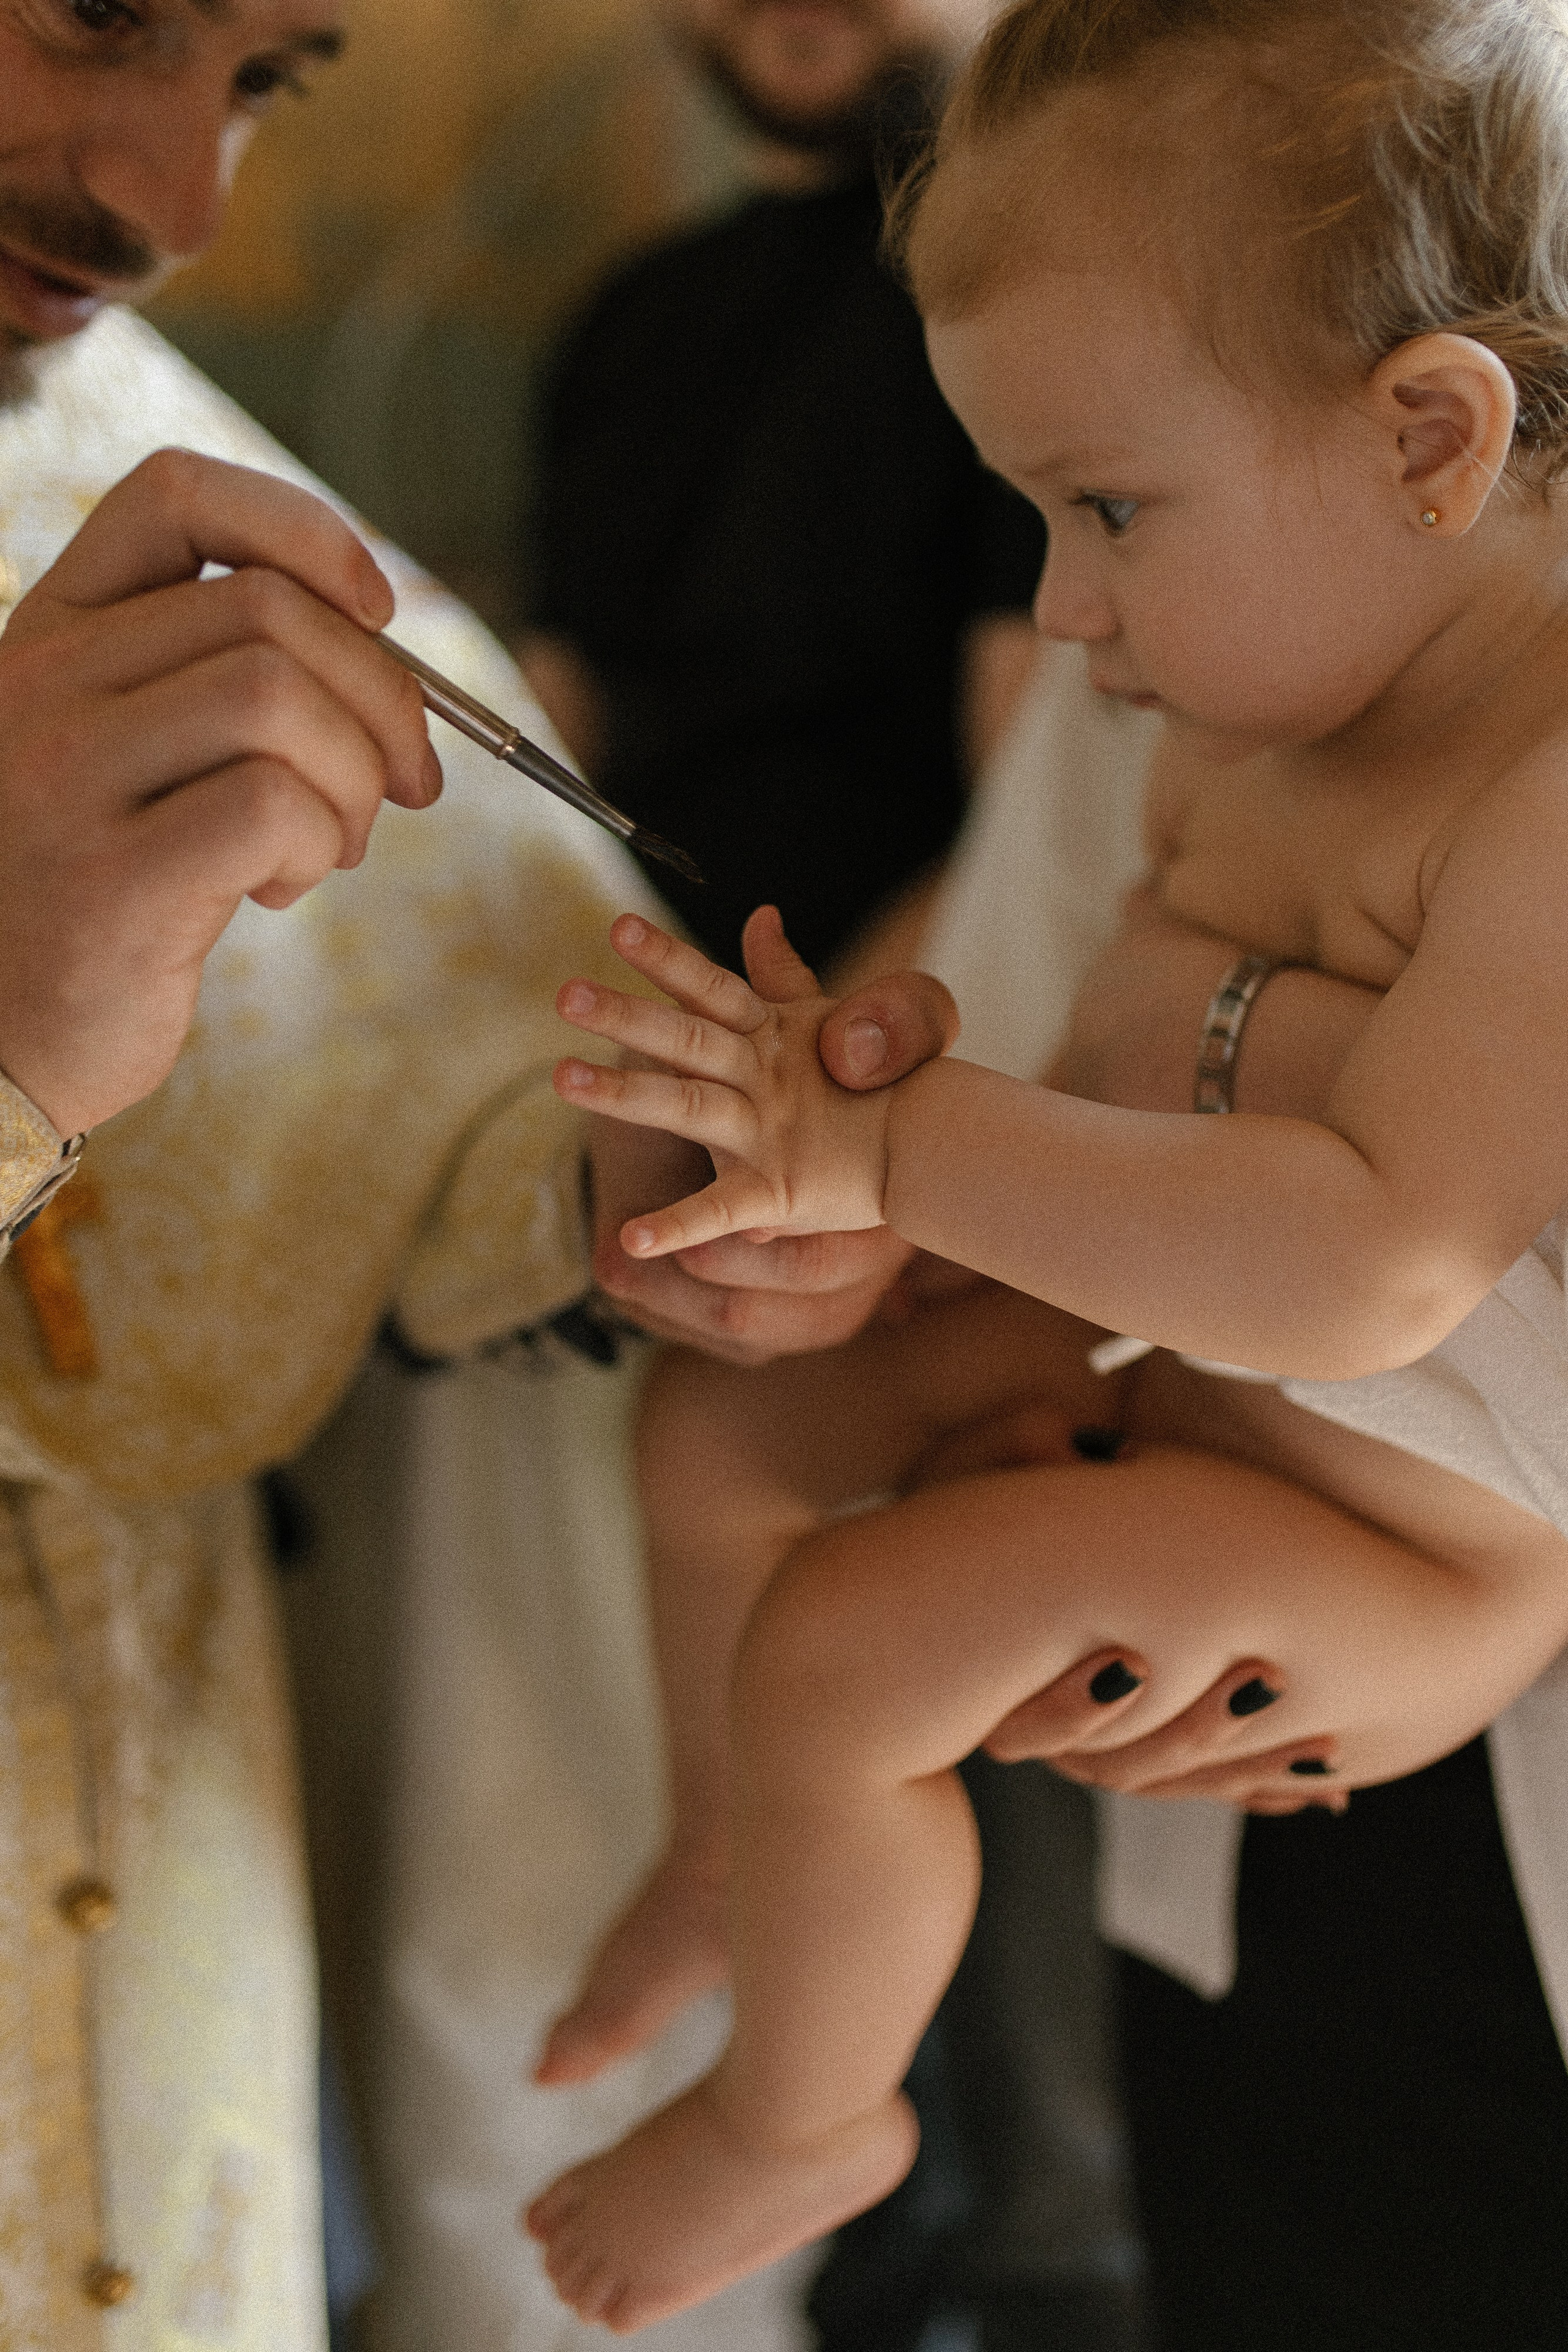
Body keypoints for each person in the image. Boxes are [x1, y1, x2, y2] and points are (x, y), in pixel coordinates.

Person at [527, 0, 1568, 2337]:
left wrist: (922, 1147)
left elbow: (1383, 1260)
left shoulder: (1551, 786)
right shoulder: (1258, 705)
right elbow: (1119, 1056)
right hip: (1211, 1398)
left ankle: (813, 2118)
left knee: (854, 1640)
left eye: (1103, 511)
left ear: (1429, 437)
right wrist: (887, 1126)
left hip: (1425, 1544)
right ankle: (742, 1836)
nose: (1065, 607)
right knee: (723, 1428)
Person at [0, 5, 950, 2339]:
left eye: (262, 85)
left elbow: (405, 1074)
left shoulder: (134, 457)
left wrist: (628, 1173)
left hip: (151, 1885)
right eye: (104, 17)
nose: (173, 203)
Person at [519, 0, 1042, 981]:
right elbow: (556, 743)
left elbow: (1037, 820)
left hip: (918, 1040)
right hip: (630, 1027)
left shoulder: (1033, 291)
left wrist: (797, 1073)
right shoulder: (621, 320)